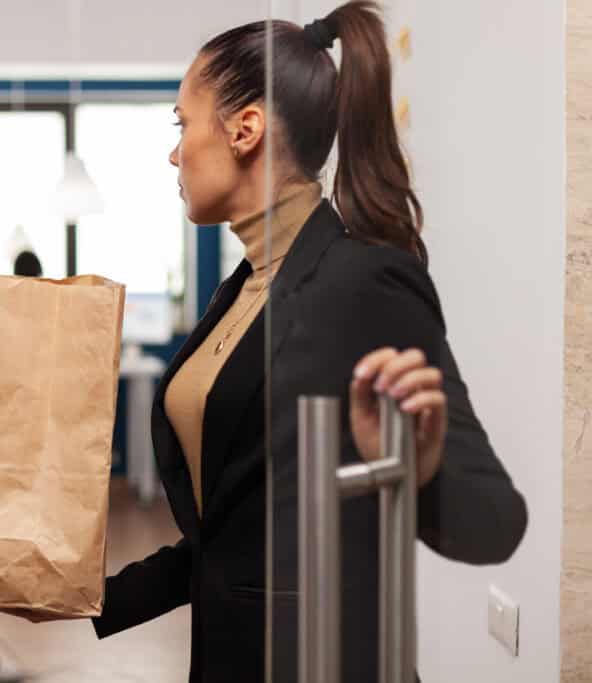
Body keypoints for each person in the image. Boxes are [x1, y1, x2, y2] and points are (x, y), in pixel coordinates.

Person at [75, 3, 527, 682]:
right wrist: (90, 598)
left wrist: (419, 464)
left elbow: (494, 521)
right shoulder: (239, 290)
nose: (174, 151)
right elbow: (229, 538)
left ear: (245, 129)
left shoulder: (365, 283)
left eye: (182, 124)